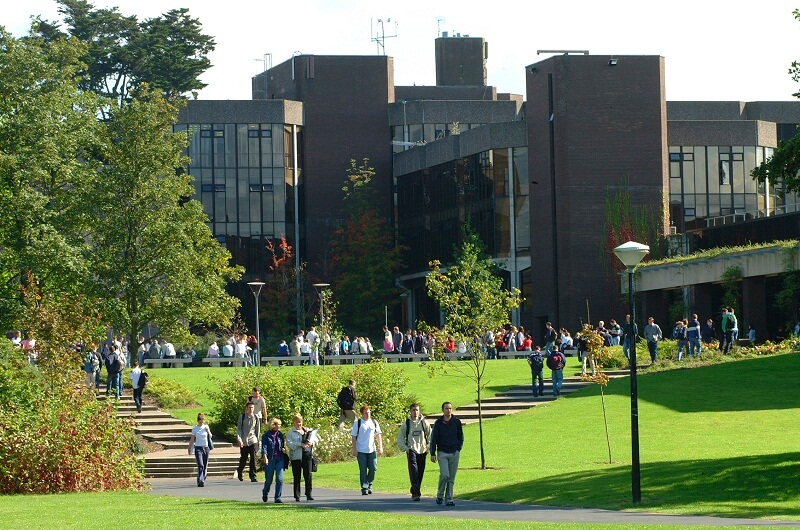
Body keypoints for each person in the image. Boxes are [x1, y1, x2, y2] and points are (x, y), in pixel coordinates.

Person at [430, 401, 463, 507]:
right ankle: (440, 495)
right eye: (446, 408)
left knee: (451, 478)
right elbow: (434, 438)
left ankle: (449, 499)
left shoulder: (456, 422)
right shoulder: (438, 423)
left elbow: (460, 436)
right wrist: (432, 453)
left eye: (450, 408)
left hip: (454, 452)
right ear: (442, 410)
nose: (448, 410)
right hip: (442, 452)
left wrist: (458, 448)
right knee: (445, 474)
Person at [396, 403, 432, 501]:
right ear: (410, 411)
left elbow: (430, 437)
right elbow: (400, 439)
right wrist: (406, 449)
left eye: (417, 410)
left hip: (423, 451)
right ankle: (416, 493)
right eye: (413, 410)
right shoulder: (406, 424)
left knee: (420, 472)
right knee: (414, 471)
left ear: (419, 411)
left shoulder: (424, 423)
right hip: (411, 450)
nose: (415, 412)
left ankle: (414, 489)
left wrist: (428, 448)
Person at [351, 405, 383, 495]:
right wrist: (355, 449)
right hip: (361, 450)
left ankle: (369, 484)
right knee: (363, 470)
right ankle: (364, 487)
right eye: (366, 413)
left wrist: (380, 446)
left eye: (369, 412)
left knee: (373, 468)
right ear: (362, 413)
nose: (368, 414)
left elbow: (378, 435)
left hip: (371, 450)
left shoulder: (374, 422)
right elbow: (353, 437)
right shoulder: (358, 423)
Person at [286, 414, 315, 501]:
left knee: (308, 475)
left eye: (300, 422)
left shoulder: (308, 430)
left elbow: (315, 439)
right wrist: (300, 444)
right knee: (297, 476)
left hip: (307, 455)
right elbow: (289, 444)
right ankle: (297, 495)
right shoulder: (291, 433)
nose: (299, 424)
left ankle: (308, 494)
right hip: (296, 457)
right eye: (297, 422)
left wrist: (312, 443)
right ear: (293, 423)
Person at [261, 417, 286, 503]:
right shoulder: (266, 435)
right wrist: (265, 456)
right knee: (269, 480)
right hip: (270, 459)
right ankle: (265, 492)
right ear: (273, 425)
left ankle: (277, 497)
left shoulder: (280, 435)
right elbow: (264, 446)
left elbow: (282, 445)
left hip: (280, 459)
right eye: (279, 424)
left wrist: (283, 449)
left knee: (280, 478)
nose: (280, 426)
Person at [236, 402, 261, 482]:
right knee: (244, 458)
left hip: (253, 440)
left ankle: (253, 475)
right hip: (244, 440)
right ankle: (240, 471)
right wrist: (239, 439)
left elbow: (257, 430)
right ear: (246, 408)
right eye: (249, 407)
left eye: (252, 407)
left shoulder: (256, 417)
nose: (251, 409)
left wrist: (258, 441)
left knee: (253, 458)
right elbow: (239, 429)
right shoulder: (242, 417)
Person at [188, 412, 213, 487]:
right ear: (198, 420)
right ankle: (200, 480)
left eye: (203, 419)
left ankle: (202, 479)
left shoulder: (206, 427)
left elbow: (210, 436)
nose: (202, 421)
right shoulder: (195, 428)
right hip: (198, 448)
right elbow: (192, 439)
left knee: (205, 465)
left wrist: (208, 431)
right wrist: (189, 447)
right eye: (200, 419)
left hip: (206, 448)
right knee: (200, 465)